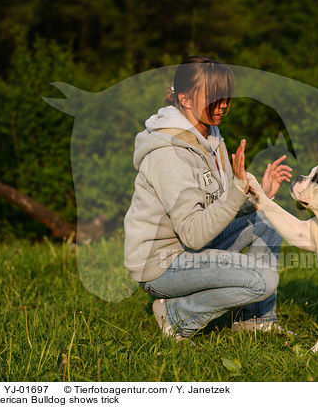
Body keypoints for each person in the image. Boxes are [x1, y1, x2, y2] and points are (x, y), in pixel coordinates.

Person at [124, 55, 292, 340]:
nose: (223, 103)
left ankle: (254, 319)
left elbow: (219, 206)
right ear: (187, 100)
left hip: (192, 249)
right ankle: (177, 316)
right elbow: (193, 234)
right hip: (162, 265)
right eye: (214, 96)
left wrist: (256, 197)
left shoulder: (212, 137)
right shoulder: (169, 153)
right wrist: (238, 189)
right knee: (263, 279)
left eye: (226, 94)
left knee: (267, 220)